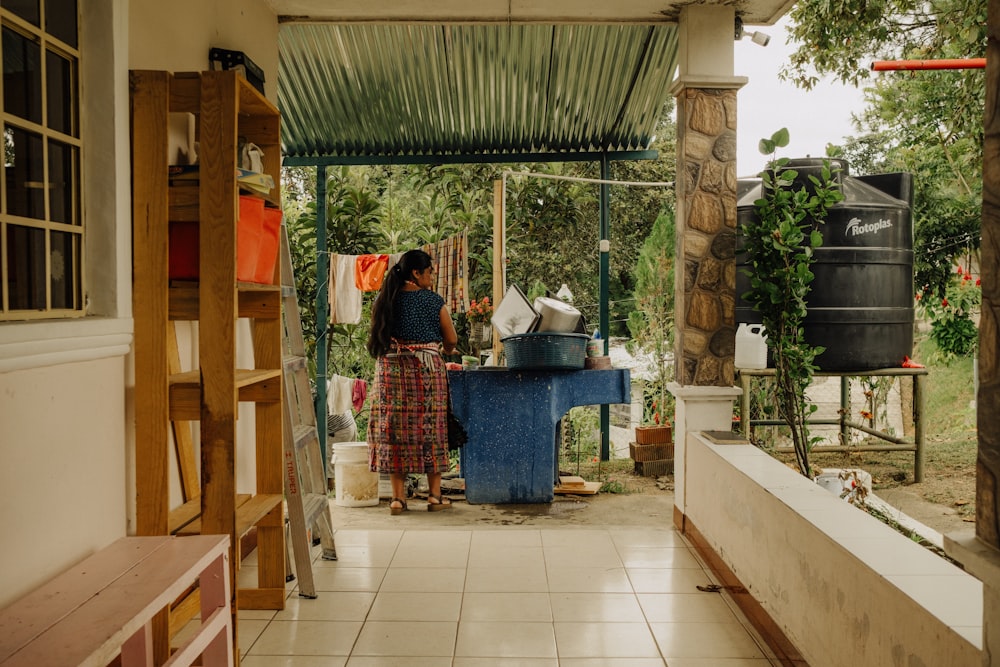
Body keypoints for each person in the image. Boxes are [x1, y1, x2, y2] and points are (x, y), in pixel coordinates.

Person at [366, 249, 459, 514]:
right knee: (432, 428)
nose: (431, 276)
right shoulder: (432, 301)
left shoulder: (386, 300)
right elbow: (451, 339)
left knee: (395, 431)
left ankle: (398, 500)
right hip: (426, 371)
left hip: (391, 373)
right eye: (429, 271)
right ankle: (434, 496)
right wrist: (448, 350)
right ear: (416, 273)